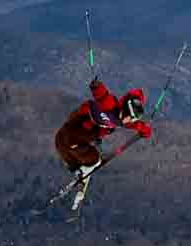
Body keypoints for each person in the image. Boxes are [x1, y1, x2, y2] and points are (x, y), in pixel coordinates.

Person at [55, 78, 154, 208]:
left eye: (133, 119)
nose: (130, 120)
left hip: (85, 133)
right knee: (66, 144)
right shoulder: (110, 105)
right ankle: (83, 166)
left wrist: (146, 130)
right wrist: (97, 86)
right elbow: (103, 96)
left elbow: (137, 126)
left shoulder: (124, 121)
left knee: (68, 146)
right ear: (125, 109)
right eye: (130, 117)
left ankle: (81, 166)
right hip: (79, 122)